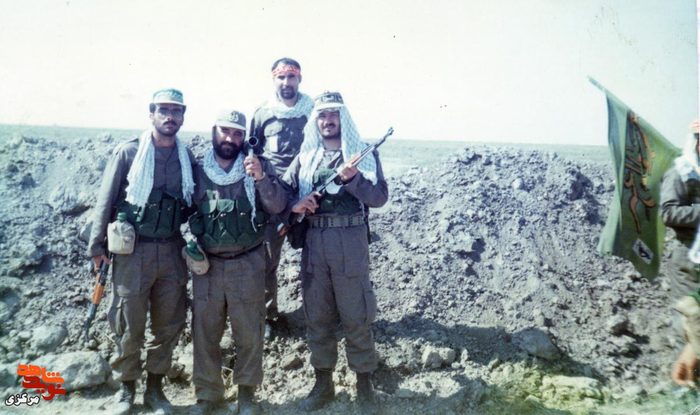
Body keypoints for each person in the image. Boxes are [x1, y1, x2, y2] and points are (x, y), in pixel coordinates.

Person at [86, 88, 195, 415]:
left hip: (171, 250)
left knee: (168, 323)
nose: (169, 117)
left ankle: (155, 391)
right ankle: (126, 388)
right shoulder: (129, 153)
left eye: (176, 111)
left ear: (182, 117)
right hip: (132, 253)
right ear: (151, 113)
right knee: (127, 322)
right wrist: (96, 246)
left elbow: (193, 204)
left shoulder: (186, 158)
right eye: (163, 110)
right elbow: (105, 200)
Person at [281, 91, 388, 413]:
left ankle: (364, 384)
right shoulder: (306, 156)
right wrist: (295, 204)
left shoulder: (361, 154)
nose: (328, 121)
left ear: (343, 118)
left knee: (356, 313)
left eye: (334, 114)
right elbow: (284, 194)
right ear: (316, 121)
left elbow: (379, 198)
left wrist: (354, 179)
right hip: (315, 240)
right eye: (323, 115)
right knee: (318, 313)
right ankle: (322, 383)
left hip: (350, 238)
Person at [188, 110, 287, 415]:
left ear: (244, 137)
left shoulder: (258, 165)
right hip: (208, 265)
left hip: (247, 263)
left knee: (249, 332)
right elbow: (185, 208)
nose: (230, 138)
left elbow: (277, 205)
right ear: (214, 132)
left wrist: (260, 178)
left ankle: (246, 395)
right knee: (205, 332)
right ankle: (208, 395)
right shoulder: (196, 170)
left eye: (237, 133)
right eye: (225, 131)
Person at [249, 57, 314, 336]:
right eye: (281, 77)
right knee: (266, 260)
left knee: (316, 259)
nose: (286, 82)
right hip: (272, 199)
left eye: (291, 77)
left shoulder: (313, 112)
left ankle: (318, 314)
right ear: (273, 79)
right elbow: (252, 154)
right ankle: (266, 316)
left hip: (308, 196)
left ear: (299, 79)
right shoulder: (262, 113)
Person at [660, 119, 700, 387]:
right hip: (688, 261)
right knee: (690, 323)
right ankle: (683, 389)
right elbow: (668, 212)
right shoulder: (680, 172)